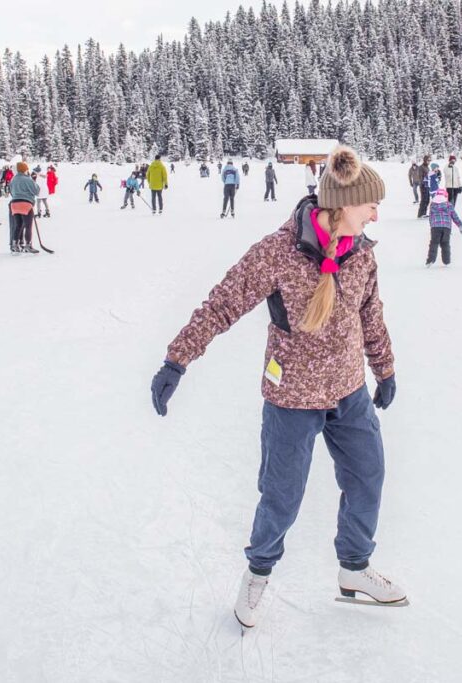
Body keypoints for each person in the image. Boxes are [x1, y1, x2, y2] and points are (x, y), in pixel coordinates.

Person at [149, 145, 405, 629]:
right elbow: (221, 305)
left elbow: (371, 315)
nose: (376, 212)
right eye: (370, 203)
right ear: (342, 206)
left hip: (349, 390)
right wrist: (176, 361)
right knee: (281, 496)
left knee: (367, 478)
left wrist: (385, 369)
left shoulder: (363, 256)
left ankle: (354, 568)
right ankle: (258, 572)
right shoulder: (278, 252)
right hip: (291, 397)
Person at [426, 188, 462, 267]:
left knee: (434, 243)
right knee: (445, 243)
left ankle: (430, 260)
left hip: (435, 227)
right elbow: (454, 215)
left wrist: (431, 225)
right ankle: (446, 261)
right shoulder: (448, 204)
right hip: (446, 227)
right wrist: (460, 225)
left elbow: (431, 217)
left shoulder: (432, 205)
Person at [9, 161, 40, 253]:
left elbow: (11, 191)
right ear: (25, 169)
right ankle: (28, 245)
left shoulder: (13, 179)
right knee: (28, 225)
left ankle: (15, 244)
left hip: (14, 203)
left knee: (18, 225)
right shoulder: (28, 179)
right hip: (26, 203)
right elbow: (36, 191)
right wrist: (33, 180)